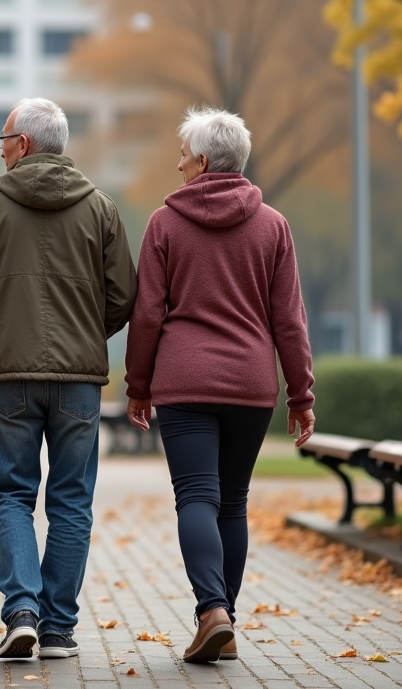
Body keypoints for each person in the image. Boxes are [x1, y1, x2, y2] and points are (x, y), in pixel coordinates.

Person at [0, 97, 138, 660]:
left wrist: (0, 321)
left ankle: (21, 612)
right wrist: (85, 330)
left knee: (13, 493)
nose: (0, 149)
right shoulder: (101, 206)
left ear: (23, 144)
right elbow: (124, 295)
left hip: (10, 375)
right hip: (79, 378)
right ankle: (56, 630)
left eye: (3, 139)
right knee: (72, 500)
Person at [124, 106, 315, 664]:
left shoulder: (164, 222)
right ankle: (222, 617)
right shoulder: (273, 225)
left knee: (196, 498)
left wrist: (138, 385)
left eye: (183, 154)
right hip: (251, 384)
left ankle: (212, 612)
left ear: (202, 160)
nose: (177, 163)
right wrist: (300, 394)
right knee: (232, 503)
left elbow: (148, 315)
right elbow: (289, 320)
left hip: (184, 383)